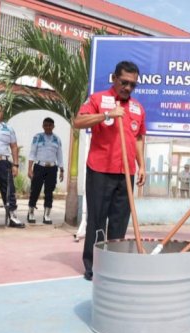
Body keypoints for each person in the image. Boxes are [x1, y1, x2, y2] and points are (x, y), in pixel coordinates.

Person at [73, 60, 146, 281]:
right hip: (100, 170)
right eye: (124, 82)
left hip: (125, 172)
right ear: (114, 78)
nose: (128, 88)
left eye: (133, 85)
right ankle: (94, 264)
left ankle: (115, 263)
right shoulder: (98, 99)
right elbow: (78, 121)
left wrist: (141, 165)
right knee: (97, 219)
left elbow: (139, 137)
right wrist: (107, 115)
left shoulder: (137, 108)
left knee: (119, 221)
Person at [27, 117, 64, 224]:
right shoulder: (37, 137)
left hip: (52, 168)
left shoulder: (57, 139)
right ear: (43, 126)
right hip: (39, 167)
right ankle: (31, 212)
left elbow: (60, 155)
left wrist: (62, 170)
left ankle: (47, 215)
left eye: (50, 125)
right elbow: (32, 153)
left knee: (49, 192)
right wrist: (30, 169)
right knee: (35, 190)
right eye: (46, 125)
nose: (48, 127)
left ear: (53, 126)